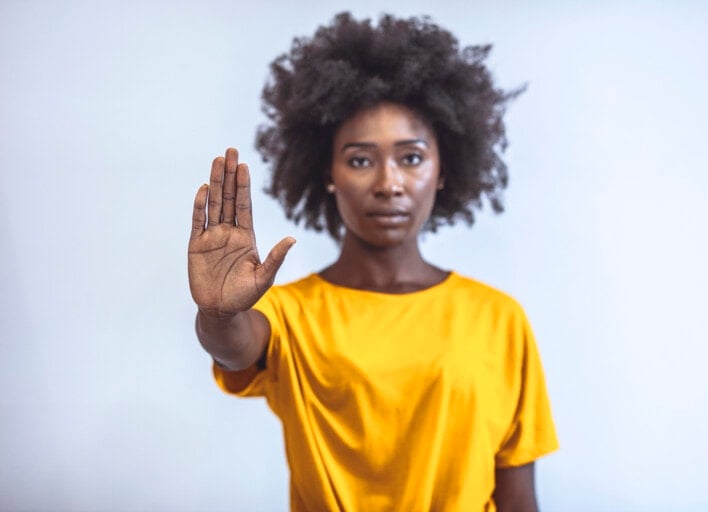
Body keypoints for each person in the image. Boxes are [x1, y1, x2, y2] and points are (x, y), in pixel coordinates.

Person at [188, 12, 557, 512]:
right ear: (328, 173)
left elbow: (518, 496)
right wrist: (219, 313)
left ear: (443, 170)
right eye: (361, 160)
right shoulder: (291, 314)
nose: (389, 183)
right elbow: (235, 346)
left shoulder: (498, 319)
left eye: (411, 157)